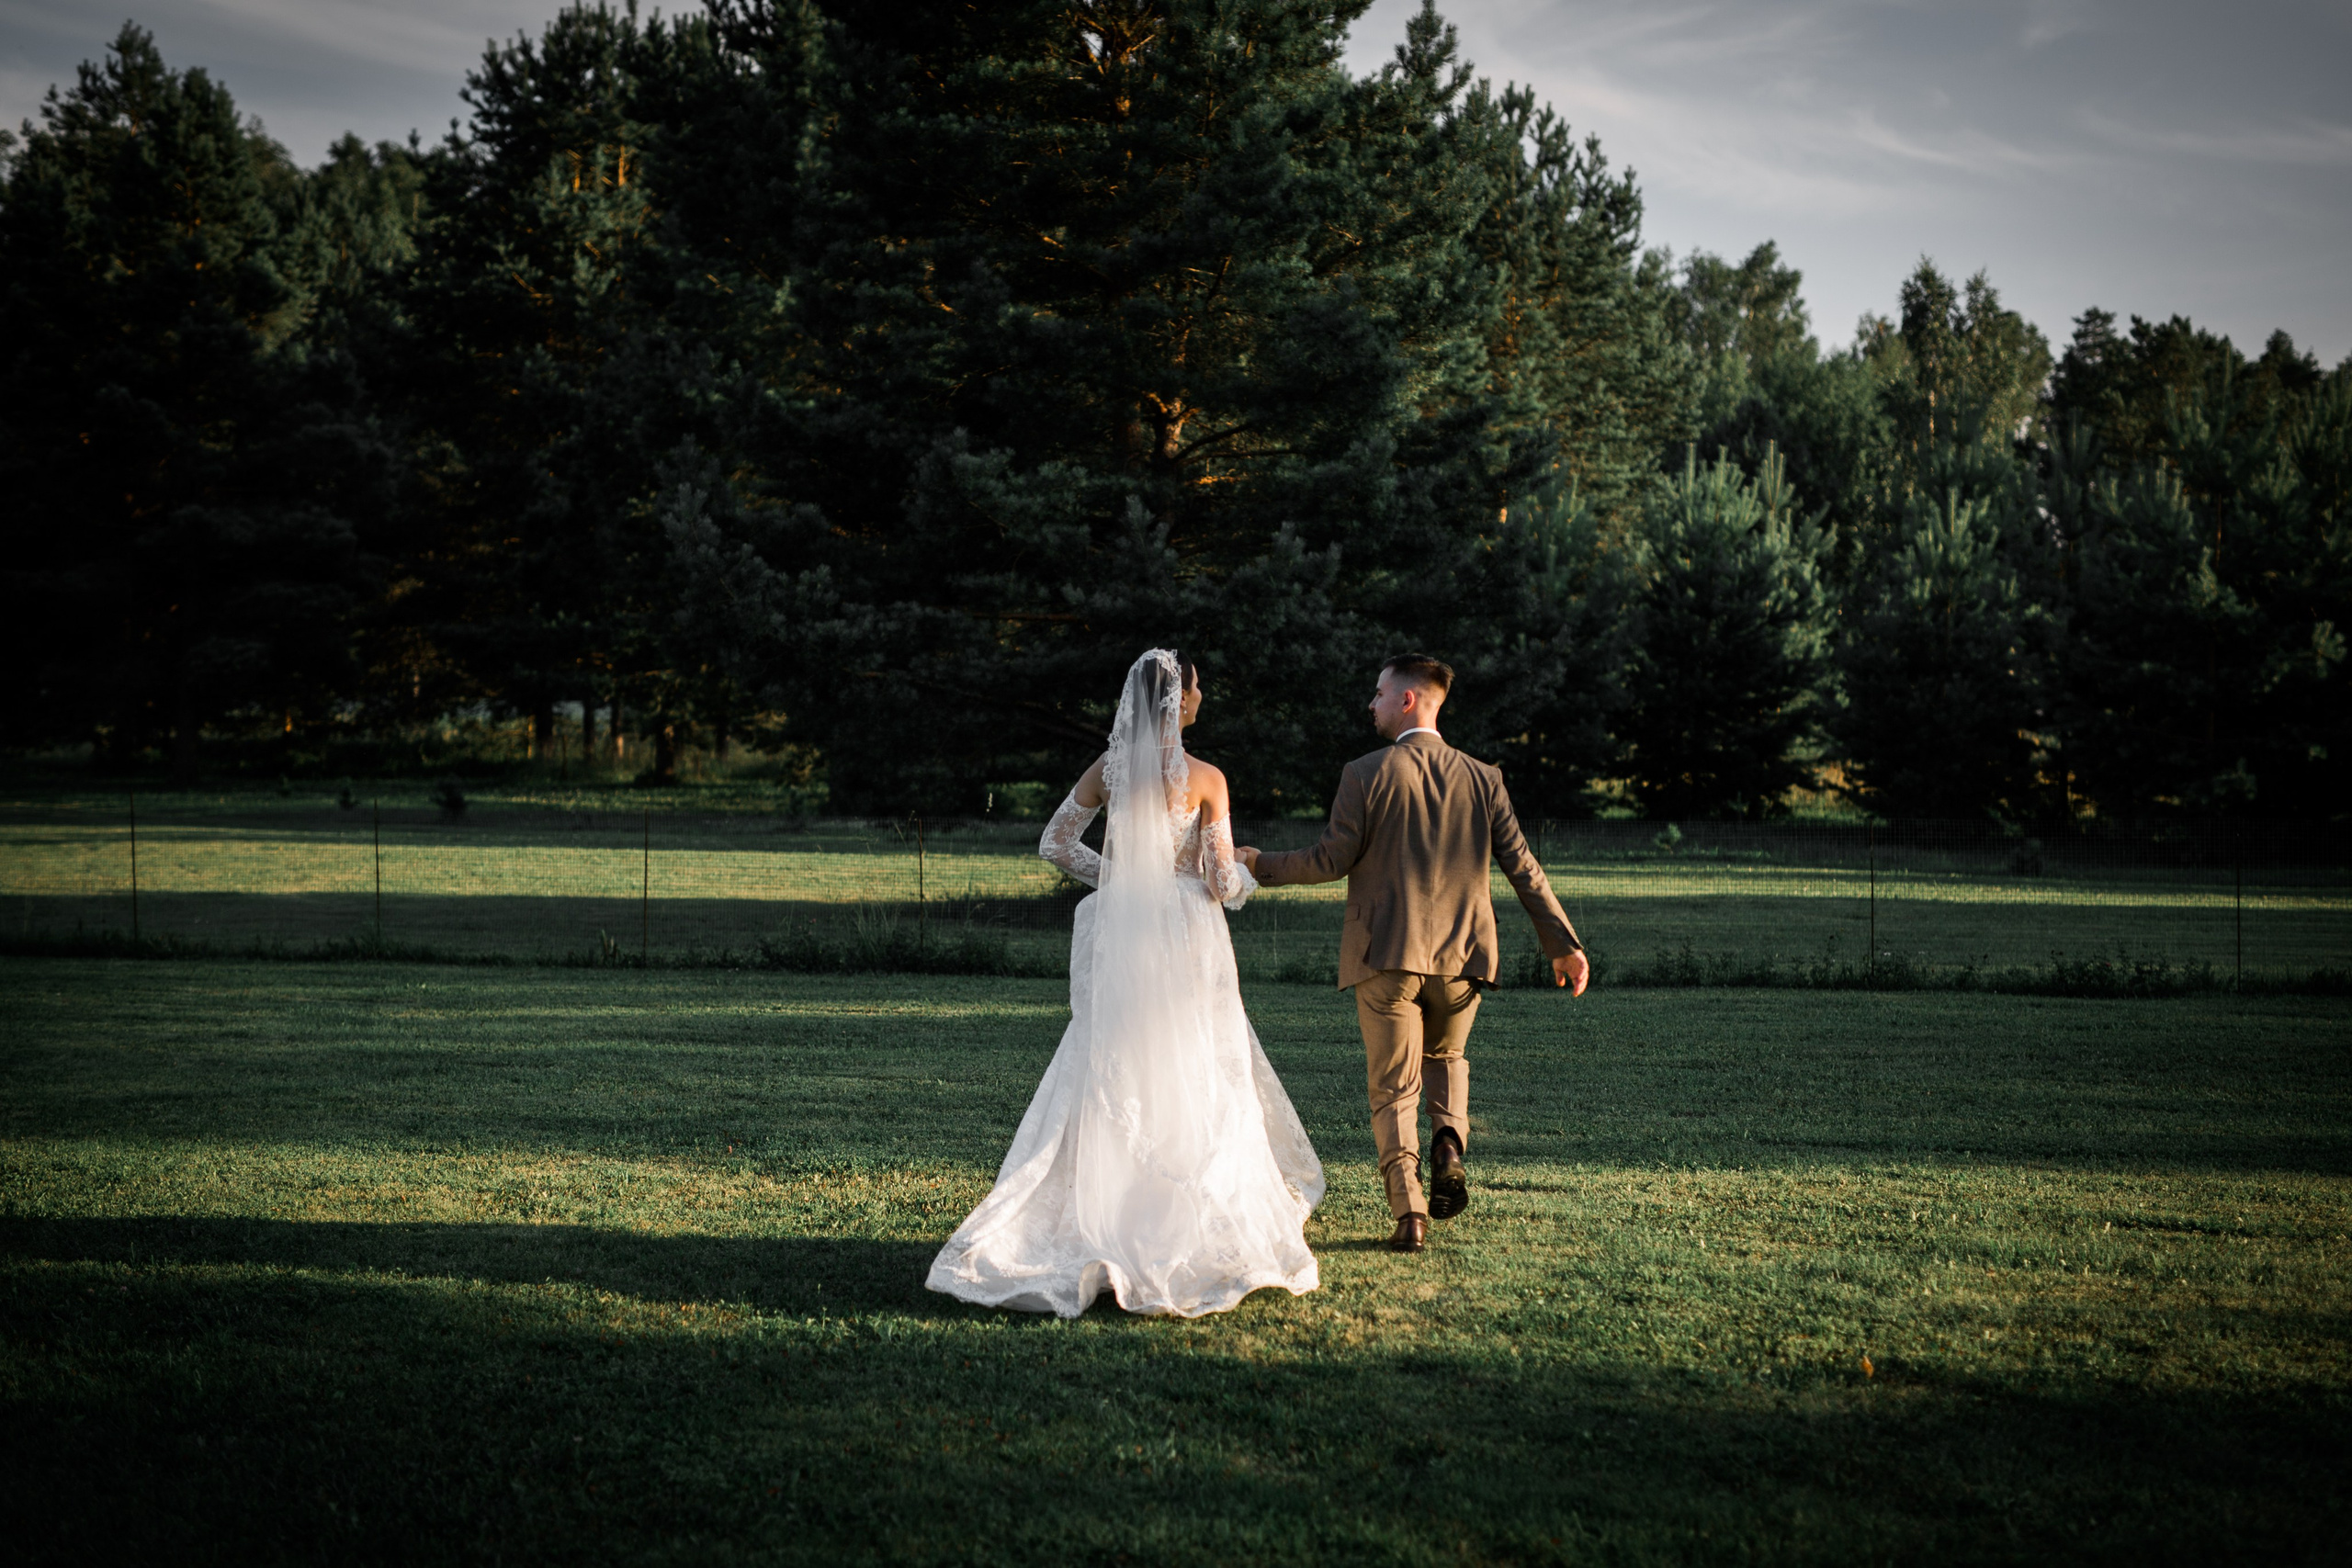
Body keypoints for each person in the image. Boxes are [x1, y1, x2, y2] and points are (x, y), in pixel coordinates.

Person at [925, 649, 1323, 1317]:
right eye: (1197, 689)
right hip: (1189, 930)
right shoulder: (1206, 778)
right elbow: (1222, 881)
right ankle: (1183, 1224)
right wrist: (1247, 871)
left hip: (1127, 928)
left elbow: (1055, 842)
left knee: (1117, 1060)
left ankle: (1104, 1213)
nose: (1201, 699)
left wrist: (1119, 878)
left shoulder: (1109, 770)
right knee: (1197, 1058)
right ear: (1180, 700)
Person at [1239, 654, 1589, 1254]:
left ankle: (1411, 1214)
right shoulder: (1484, 778)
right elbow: (1524, 868)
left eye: (1378, 693)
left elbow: (1329, 859)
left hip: (1387, 955)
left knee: (1394, 1087)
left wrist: (1255, 864)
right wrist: (1564, 945)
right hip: (1463, 959)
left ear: (1408, 700)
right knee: (1447, 1057)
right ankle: (1449, 1141)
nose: (1370, 704)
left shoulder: (1364, 773)